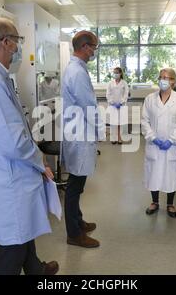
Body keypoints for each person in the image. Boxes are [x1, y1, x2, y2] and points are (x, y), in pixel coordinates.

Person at [0, 17, 58, 275]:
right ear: (6, 42)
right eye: (17, 41)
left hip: (10, 174)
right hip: (9, 179)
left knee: (23, 233)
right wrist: (40, 161)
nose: (18, 49)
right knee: (14, 246)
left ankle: (36, 271)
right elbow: (13, 141)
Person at [61, 30, 104, 248]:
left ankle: (78, 221)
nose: (94, 52)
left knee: (77, 185)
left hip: (78, 133)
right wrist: (100, 130)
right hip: (79, 135)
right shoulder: (76, 72)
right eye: (94, 47)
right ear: (85, 46)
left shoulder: (76, 69)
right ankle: (74, 234)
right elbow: (88, 105)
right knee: (74, 187)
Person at [141, 68, 176, 218]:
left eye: (167, 78)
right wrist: (152, 137)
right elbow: (144, 120)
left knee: (171, 174)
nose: (163, 80)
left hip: (171, 145)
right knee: (153, 172)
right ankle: (154, 202)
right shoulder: (150, 99)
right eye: (161, 77)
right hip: (154, 144)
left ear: (173, 81)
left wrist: (172, 140)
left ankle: (170, 204)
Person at [106, 67, 129, 144]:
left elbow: (126, 94)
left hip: (121, 106)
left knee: (120, 123)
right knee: (113, 122)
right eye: (114, 72)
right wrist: (112, 103)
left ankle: (119, 138)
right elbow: (108, 94)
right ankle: (113, 138)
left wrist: (121, 102)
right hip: (112, 106)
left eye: (117, 72)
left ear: (120, 73)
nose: (115, 74)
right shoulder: (110, 83)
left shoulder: (124, 83)